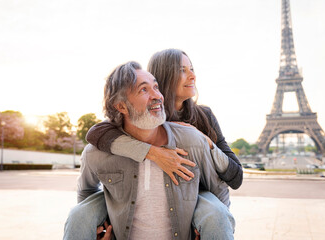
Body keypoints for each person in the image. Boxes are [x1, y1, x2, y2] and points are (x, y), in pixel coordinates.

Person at [64, 49, 242, 239]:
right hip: (131, 202)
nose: (193, 76)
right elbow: (96, 134)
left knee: (215, 211)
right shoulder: (135, 119)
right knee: (80, 215)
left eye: (191, 68)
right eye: (183, 70)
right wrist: (152, 152)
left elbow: (229, 181)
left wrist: (206, 143)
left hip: (190, 204)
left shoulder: (200, 122)